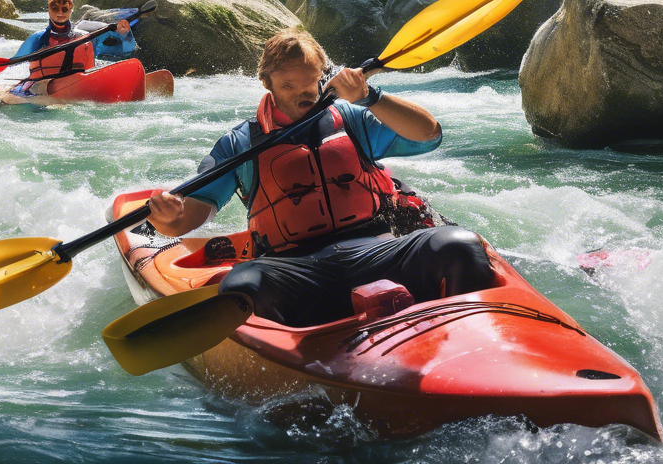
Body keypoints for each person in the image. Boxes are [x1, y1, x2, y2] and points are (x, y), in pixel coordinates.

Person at [146, 28, 493, 328]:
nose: (305, 93)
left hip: (378, 251)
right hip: (295, 269)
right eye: (289, 84)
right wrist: (171, 218)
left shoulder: (352, 119)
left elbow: (428, 135)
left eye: (311, 81)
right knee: (242, 287)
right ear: (266, 84)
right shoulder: (239, 144)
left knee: (458, 245)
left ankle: (465, 341)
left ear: (322, 75)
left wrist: (370, 97)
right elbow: (194, 214)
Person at [11, 0, 131, 95]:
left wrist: (125, 35)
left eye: (64, 9)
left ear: (71, 9)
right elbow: (13, 62)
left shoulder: (84, 38)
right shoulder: (38, 39)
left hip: (80, 83)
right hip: (41, 87)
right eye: (55, 9)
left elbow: (127, 52)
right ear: (48, 10)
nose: (60, 13)